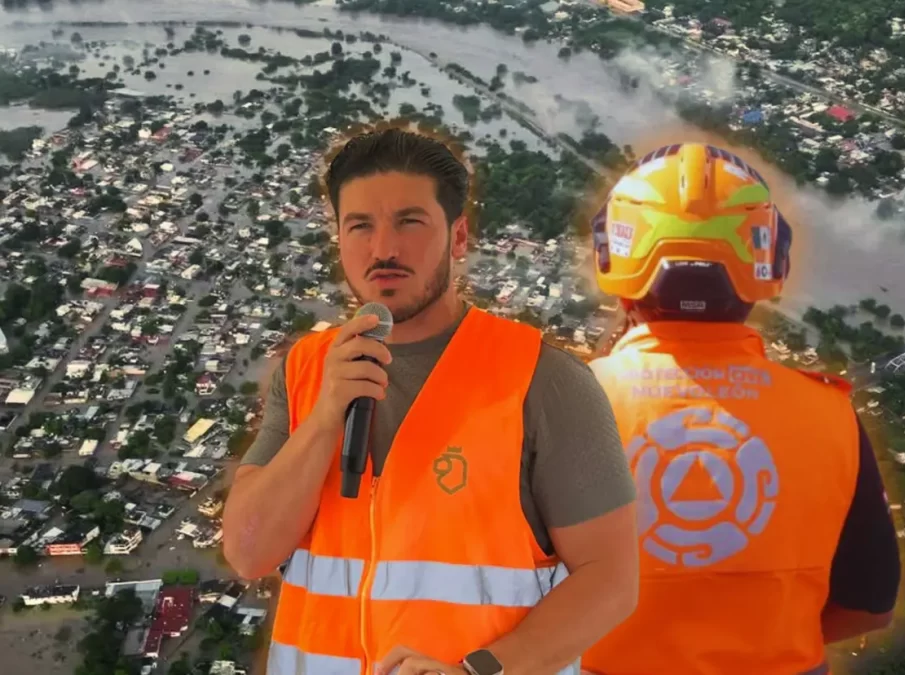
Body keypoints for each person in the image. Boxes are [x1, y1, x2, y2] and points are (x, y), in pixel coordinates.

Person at [222, 128, 640, 675]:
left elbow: (609, 579)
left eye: (409, 222)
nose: (383, 250)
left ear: (458, 237)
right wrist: (325, 418)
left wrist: (484, 670)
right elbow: (248, 552)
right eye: (361, 226)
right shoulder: (307, 370)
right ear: (340, 240)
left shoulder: (541, 379)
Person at [580, 143, 901, 675]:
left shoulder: (547, 407)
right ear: (769, 261)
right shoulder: (829, 418)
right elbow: (869, 604)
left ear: (614, 256)